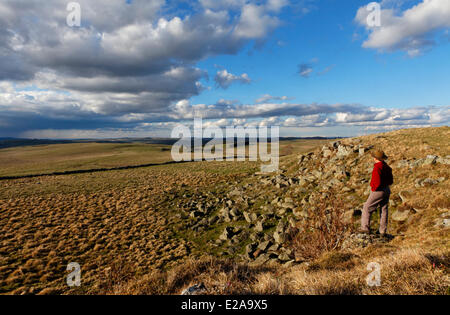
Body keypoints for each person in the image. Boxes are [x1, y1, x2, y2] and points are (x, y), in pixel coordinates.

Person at [361, 150, 394, 236]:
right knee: (384, 209)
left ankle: (365, 229)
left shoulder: (377, 167)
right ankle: (382, 231)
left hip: (378, 191)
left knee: (366, 207)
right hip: (386, 189)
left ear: (375, 158)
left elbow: (377, 182)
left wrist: (373, 188)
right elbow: (391, 180)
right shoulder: (386, 166)